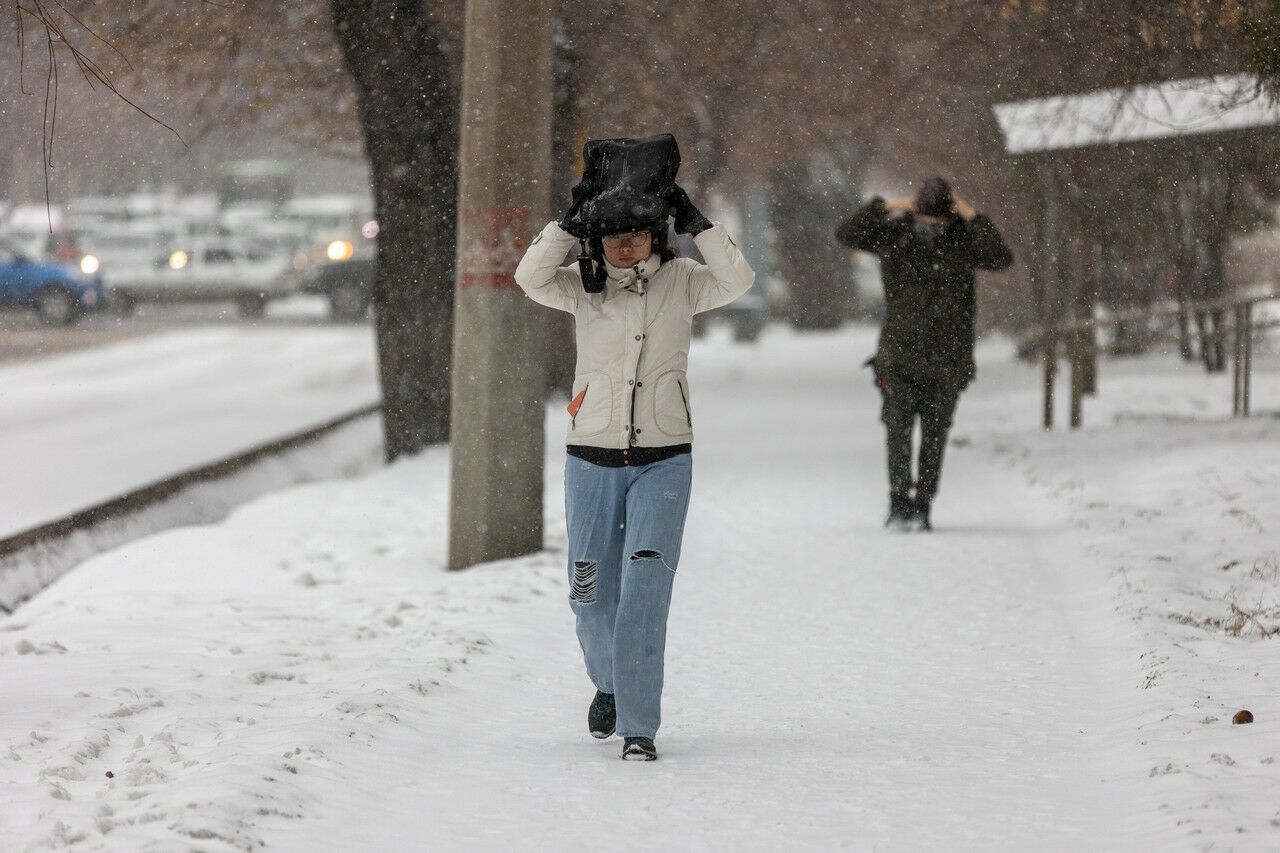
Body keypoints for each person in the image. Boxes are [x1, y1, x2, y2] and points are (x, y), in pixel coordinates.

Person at [514, 183, 754, 761]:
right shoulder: (581, 287)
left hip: (664, 459)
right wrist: (567, 226)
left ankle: (639, 725)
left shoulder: (683, 282)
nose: (627, 246)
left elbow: (738, 280)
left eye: (639, 235)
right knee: (589, 589)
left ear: (655, 237)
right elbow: (530, 277)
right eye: (616, 236)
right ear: (600, 239)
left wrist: (700, 223)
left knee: (647, 587)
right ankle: (610, 684)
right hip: (590, 459)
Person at [835, 177, 1012, 531]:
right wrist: (885, 205)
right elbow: (846, 235)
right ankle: (898, 500)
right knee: (897, 430)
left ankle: (923, 504)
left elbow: (1000, 257)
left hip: (949, 359)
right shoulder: (896, 234)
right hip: (899, 356)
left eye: (939, 221)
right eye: (925, 219)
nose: (931, 227)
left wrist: (973, 216)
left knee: (935, 434)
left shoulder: (963, 238)